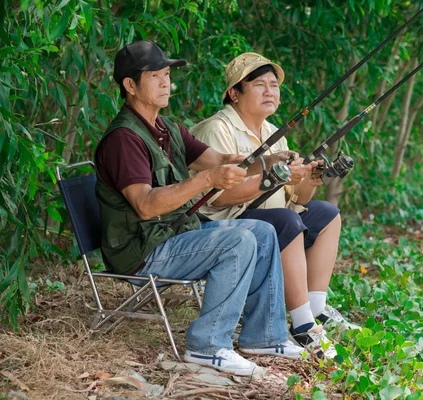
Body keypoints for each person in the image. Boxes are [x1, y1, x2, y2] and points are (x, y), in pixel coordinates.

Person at [94, 41, 304, 376]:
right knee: (238, 241)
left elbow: (220, 159)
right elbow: (146, 206)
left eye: (166, 75)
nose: (166, 83)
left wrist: (269, 160)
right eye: (155, 76)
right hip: (143, 250)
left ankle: (264, 335)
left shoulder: (168, 128)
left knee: (262, 232)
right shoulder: (124, 139)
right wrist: (207, 180)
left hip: (173, 235)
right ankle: (207, 346)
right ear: (130, 86)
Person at [190, 52, 358, 357]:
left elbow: (297, 200)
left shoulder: (272, 132)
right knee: (285, 221)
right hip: (222, 225)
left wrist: (309, 179)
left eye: (274, 85)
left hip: (272, 218)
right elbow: (218, 197)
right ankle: (303, 326)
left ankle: (317, 310)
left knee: (327, 214)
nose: (270, 91)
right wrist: (275, 177)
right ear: (234, 93)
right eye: (259, 85)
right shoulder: (216, 129)